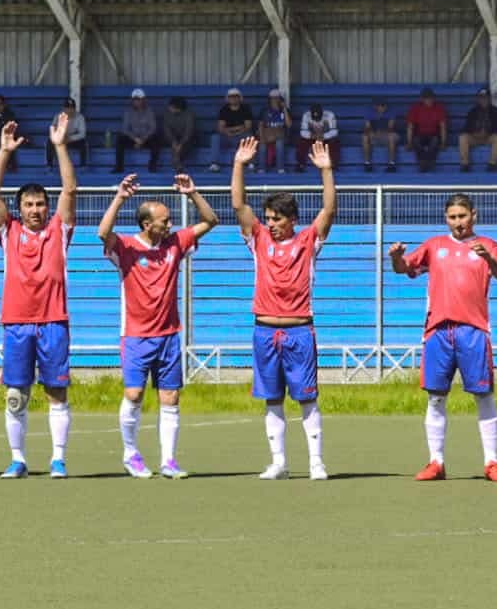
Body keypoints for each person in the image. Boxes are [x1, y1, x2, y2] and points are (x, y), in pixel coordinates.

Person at [97, 172, 219, 479]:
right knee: (135, 394)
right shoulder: (126, 247)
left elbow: (210, 220)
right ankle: (130, 453)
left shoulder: (175, 244)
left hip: (168, 336)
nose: (170, 224)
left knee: (171, 398)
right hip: (136, 336)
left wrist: (193, 193)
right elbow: (102, 233)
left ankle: (168, 461)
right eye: (164, 220)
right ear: (146, 225)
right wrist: (119, 198)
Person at [231, 136, 337, 480]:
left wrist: (326, 171)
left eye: (277, 218)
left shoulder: (308, 241)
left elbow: (329, 211)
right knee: (271, 398)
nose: (271, 223)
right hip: (264, 330)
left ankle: (316, 462)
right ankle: (279, 461)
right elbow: (238, 206)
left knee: (306, 398)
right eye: (269, 218)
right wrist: (239, 164)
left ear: (292, 219)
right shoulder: (258, 239)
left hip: (299, 330)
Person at [389, 193, 497, 482]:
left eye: (462, 216)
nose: (458, 222)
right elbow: (405, 269)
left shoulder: (489, 245)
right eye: (453, 217)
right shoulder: (435, 246)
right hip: (438, 332)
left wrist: (489, 257)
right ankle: (436, 461)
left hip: (474, 331)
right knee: (436, 398)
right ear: (447, 219)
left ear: (474, 215)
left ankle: (492, 462)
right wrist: (395, 257)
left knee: (483, 395)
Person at [0, 114, 77, 479]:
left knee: (57, 392)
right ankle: (18, 458)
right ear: (19, 208)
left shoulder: (59, 230)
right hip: (17, 324)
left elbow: (69, 190)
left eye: (40, 204)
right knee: (16, 395)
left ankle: (58, 459)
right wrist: (5, 152)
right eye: (29, 205)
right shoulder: (9, 232)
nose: (35, 210)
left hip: (53, 322)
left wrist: (59, 145)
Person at [457, 88, 497, 173]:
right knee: (462, 137)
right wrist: (474, 133)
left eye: (485, 98)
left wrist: (487, 132)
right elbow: (466, 128)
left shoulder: (496, 111)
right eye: (481, 98)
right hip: (475, 137)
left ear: (489, 98)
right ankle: (465, 164)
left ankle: (492, 164)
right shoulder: (472, 111)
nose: (483, 100)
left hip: (489, 137)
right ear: (478, 99)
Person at [210, 87, 254, 172]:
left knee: (249, 136)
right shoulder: (224, 110)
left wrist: (233, 131)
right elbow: (220, 128)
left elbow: (248, 127)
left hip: (241, 136)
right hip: (227, 136)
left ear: (240, 98)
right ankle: (214, 164)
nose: (233, 98)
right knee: (215, 138)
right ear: (227, 98)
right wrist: (235, 129)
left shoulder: (245, 109)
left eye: (235, 96)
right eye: (231, 96)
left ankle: (250, 163)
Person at [406, 87, 448, 173]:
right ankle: (424, 163)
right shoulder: (415, 108)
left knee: (435, 142)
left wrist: (444, 143)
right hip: (420, 134)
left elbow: (443, 127)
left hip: (433, 134)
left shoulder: (439, 108)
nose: (429, 100)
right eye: (426, 98)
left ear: (434, 98)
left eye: (430, 98)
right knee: (416, 141)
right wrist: (409, 142)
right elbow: (410, 126)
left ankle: (426, 164)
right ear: (422, 99)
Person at [296, 103, 340, 171]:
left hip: (325, 138)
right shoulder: (306, 115)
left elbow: (334, 132)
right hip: (312, 138)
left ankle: (333, 164)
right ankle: (300, 164)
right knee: (302, 142)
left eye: (318, 118)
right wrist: (313, 136)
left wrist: (323, 136)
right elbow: (302, 132)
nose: (316, 120)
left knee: (334, 141)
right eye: (315, 118)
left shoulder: (330, 115)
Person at [46, 96, 87, 169]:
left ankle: (83, 165)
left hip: (72, 139)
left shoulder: (80, 117)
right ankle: (49, 165)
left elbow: (82, 134)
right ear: (64, 109)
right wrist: (60, 137)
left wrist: (69, 138)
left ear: (75, 109)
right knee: (49, 141)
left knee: (83, 143)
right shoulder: (58, 116)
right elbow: (53, 130)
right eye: (68, 108)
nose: (70, 110)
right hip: (61, 138)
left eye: (72, 108)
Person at [256, 89, 290, 173]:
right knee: (262, 145)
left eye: (277, 98)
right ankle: (261, 169)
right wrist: (262, 137)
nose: (275, 100)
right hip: (268, 135)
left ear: (280, 99)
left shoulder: (285, 110)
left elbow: (289, 125)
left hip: (281, 136)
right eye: (273, 98)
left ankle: (280, 168)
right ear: (269, 99)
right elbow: (260, 126)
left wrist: (284, 108)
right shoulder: (264, 111)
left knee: (279, 143)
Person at [161, 96, 198, 173]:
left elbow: (189, 131)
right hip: (173, 138)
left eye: (172, 107)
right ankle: (178, 166)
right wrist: (173, 142)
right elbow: (166, 130)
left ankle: (177, 164)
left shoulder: (189, 114)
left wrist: (181, 144)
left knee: (185, 146)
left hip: (188, 139)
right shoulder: (167, 114)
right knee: (174, 147)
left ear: (178, 108)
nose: (169, 108)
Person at [362, 98, 398, 173]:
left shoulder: (391, 113)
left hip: (386, 136)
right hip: (374, 136)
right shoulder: (369, 113)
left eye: (383, 105)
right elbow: (367, 127)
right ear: (375, 106)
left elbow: (391, 128)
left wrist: (381, 133)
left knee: (392, 137)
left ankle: (391, 164)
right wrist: (371, 132)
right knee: (364, 137)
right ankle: (367, 164)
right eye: (380, 105)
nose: (382, 107)